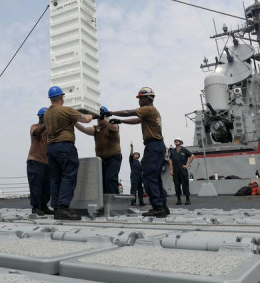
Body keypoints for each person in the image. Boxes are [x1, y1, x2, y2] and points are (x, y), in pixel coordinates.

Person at [107, 87, 169, 218]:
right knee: (156, 177)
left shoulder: (148, 109)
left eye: (140, 98)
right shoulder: (152, 112)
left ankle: (157, 207)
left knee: (148, 177)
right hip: (158, 146)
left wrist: (112, 113)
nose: (139, 100)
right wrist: (120, 121)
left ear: (147, 98)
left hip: (153, 146)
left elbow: (130, 112)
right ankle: (162, 206)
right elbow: (137, 120)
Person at [44, 86, 94, 220]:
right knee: (68, 175)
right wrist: (92, 114)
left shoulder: (47, 114)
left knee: (55, 178)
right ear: (61, 98)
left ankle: (56, 207)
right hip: (64, 147)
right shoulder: (67, 110)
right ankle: (63, 208)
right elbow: (86, 119)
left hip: (51, 148)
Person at [74, 106, 122, 194]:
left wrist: (103, 117)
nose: (99, 120)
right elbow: (84, 129)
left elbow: (113, 127)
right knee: (102, 181)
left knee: (110, 179)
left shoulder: (112, 125)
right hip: (101, 159)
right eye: (98, 118)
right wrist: (74, 122)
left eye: (100, 118)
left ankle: (113, 202)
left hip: (113, 157)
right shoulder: (96, 129)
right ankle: (104, 202)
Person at [27, 108, 51, 216]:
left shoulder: (49, 130)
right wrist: (47, 122)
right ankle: (36, 207)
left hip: (46, 162)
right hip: (35, 161)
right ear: (41, 117)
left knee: (46, 187)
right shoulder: (34, 127)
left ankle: (44, 206)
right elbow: (36, 133)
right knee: (36, 185)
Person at [169, 139, 195, 205]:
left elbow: (192, 156)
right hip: (175, 170)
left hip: (183, 169)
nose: (176, 141)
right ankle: (178, 199)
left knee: (185, 184)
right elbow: (171, 161)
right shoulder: (173, 151)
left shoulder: (184, 150)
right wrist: (171, 170)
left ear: (180, 142)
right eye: (175, 141)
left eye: (177, 141)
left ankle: (187, 198)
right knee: (177, 185)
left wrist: (187, 165)